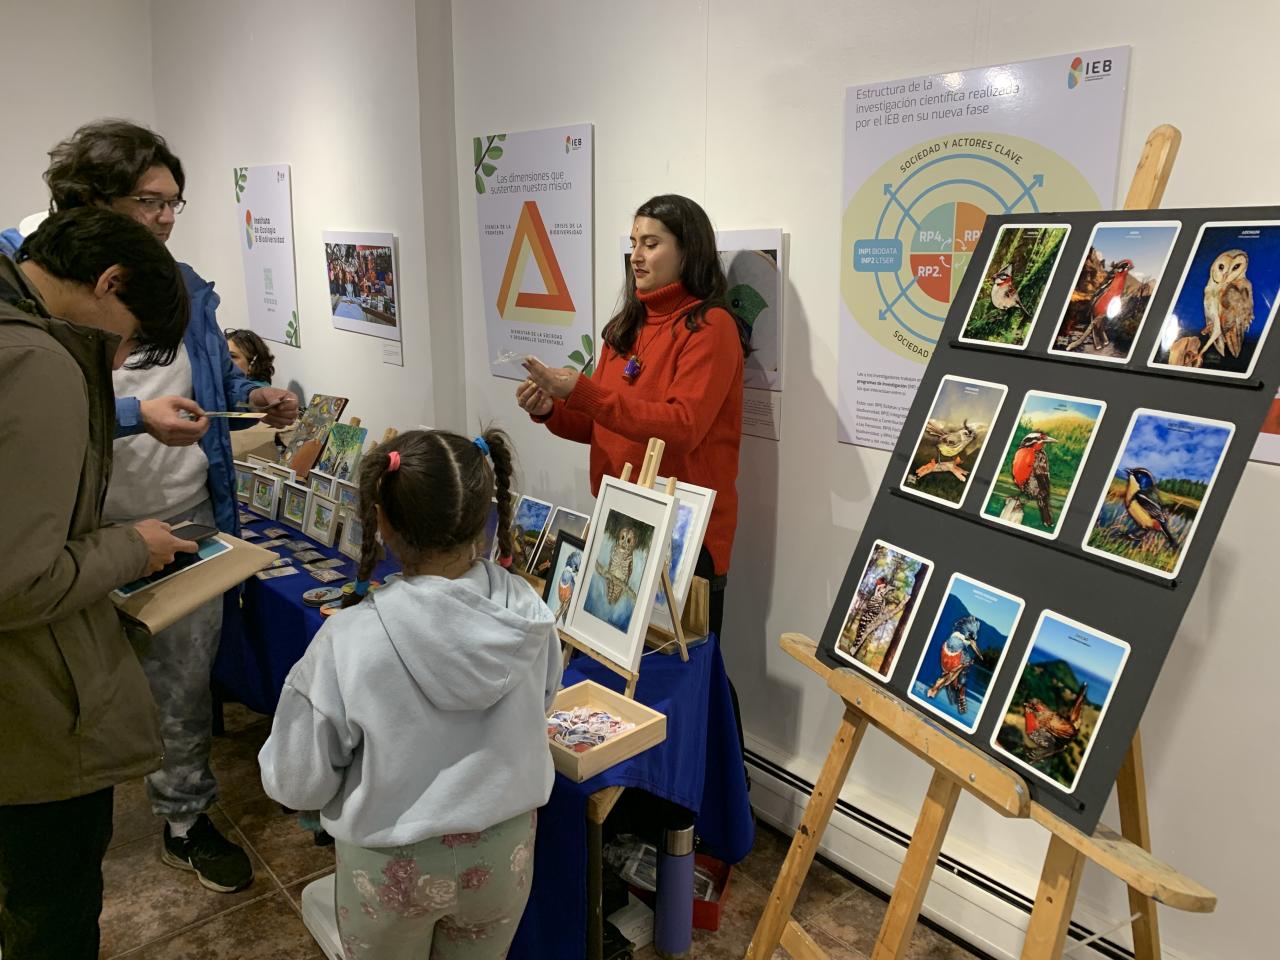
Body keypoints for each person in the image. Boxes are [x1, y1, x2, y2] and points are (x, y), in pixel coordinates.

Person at [36, 119, 300, 893]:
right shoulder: (41, 292)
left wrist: (257, 401)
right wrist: (133, 417)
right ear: (90, 200)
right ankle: (63, 836)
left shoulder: (184, 288)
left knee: (183, 686)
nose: (165, 217)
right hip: (81, 535)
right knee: (73, 697)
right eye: (150, 201)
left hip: (187, 520)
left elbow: (211, 385)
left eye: (175, 203)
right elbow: (51, 412)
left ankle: (184, 819)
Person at [259, 429, 561, 960]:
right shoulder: (530, 618)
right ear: (485, 513)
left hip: (390, 862)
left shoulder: (348, 639)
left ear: (382, 520)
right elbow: (540, 707)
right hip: (503, 851)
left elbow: (296, 779)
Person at [0, 208, 198, 959]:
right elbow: (19, 578)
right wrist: (128, 547)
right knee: (53, 909)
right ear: (109, 282)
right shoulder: (39, 359)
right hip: (36, 707)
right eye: (127, 341)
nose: (118, 363)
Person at [516, 193, 749, 642]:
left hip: (683, 536)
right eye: (634, 242)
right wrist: (551, 409)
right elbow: (597, 423)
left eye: (651, 243)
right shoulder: (628, 324)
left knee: (686, 672)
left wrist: (582, 392)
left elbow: (681, 428)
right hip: (620, 520)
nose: (636, 256)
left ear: (688, 251)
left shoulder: (710, 327)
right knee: (620, 669)